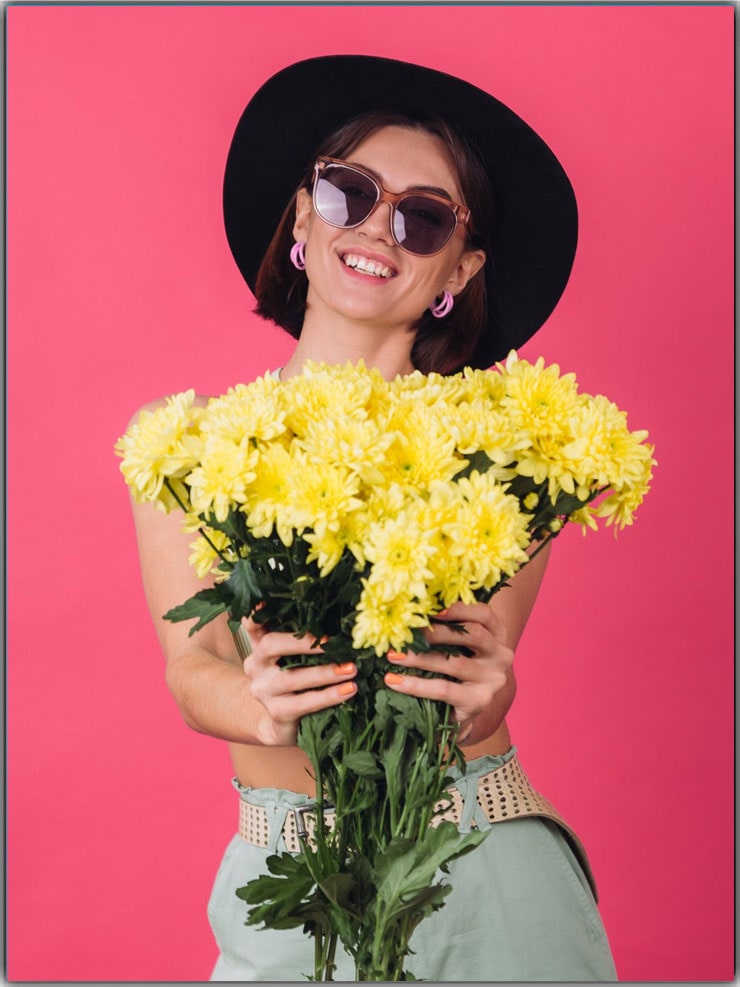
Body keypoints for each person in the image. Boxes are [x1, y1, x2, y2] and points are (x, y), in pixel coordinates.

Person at [129, 56, 617, 981]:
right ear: (305, 216)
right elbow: (192, 664)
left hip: (482, 868)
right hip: (289, 889)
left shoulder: (505, 454)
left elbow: (481, 674)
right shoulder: (185, 451)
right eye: (350, 191)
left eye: (422, 216)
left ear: (458, 266)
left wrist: (484, 698)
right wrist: (260, 707)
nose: (378, 231)